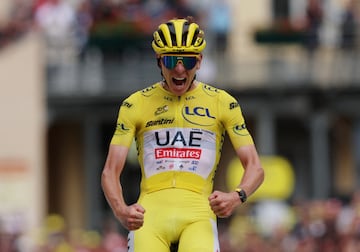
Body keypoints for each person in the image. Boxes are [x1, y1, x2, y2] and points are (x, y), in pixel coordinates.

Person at [101, 16, 264, 252]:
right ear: (159, 61)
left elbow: (255, 167)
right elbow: (110, 171)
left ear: (199, 61)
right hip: (150, 215)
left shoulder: (222, 102)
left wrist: (236, 197)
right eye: (170, 60)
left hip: (198, 213)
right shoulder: (135, 104)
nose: (179, 69)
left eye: (187, 62)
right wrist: (121, 210)